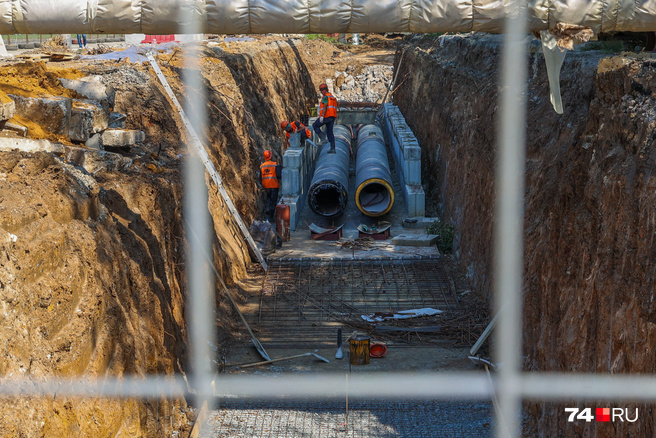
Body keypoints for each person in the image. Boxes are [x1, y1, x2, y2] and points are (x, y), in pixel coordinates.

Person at [312, 83, 338, 153]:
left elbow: (325, 106)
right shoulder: (332, 97)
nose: (321, 92)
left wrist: (322, 116)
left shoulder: (325, 97)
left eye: (321, 90)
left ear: (324, 90)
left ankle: (323, 138)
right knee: (330, 132)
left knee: (315, 125)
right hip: (332, 117)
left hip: (326, 116)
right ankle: (333, 148)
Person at [259, 150, 282, 222]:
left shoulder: (262, 166)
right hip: (274, 185)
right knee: (273, 201)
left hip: (266, 186)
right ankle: (271, 216)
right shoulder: (275, 165)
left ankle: (267, 213)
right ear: (271, 156)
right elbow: (279, 175)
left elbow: (260, 177)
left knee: (268, 199)